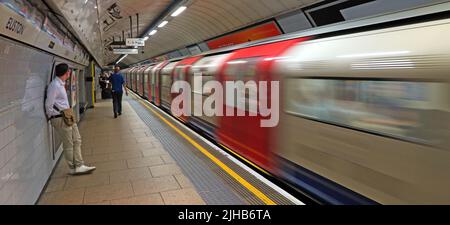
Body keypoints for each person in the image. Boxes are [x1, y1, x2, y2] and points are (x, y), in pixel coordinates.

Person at [46, 63, 96, 175]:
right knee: (69, 143)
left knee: (77, 139)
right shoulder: (54, 86)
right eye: (69, 71)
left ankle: (79, 165)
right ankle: (74, 167)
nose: (70, 73)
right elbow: (49, 104)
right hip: (60, 117)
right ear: (66, 72)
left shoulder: (60, 84)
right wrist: (53, 116)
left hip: (67, 116)